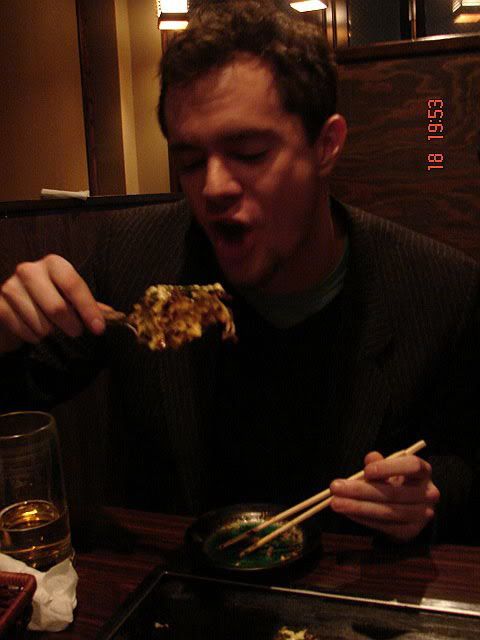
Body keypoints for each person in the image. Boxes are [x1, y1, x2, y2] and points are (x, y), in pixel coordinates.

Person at [0, 1, 478, 544]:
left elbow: (469, 460)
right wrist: (5, 330)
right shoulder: (133, 257)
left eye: (248, 153)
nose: (213, 188)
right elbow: (18, 394)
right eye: (189, 161)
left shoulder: (439, 290)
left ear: (326, 146)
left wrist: (430, 495)